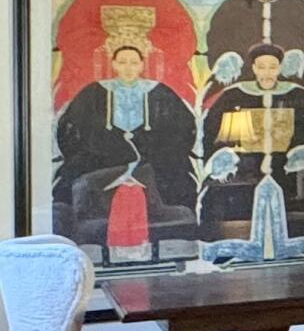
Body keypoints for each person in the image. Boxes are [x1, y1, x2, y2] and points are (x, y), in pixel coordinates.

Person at [51, 39, 199, 262]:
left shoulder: (160, 93)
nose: (128, 68)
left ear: (141, 65)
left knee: (180, 185)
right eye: (123, 62)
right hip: (102, 166)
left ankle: (170, 254)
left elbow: (184, 131)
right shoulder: (92, 93)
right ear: (114, 65)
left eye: (133, 62)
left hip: (153, 164)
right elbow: (69, 132)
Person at [197, 43, 304, 256]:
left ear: (279, 68)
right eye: (262, 67)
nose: (267, 72)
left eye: (272, 67)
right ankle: (230, 248)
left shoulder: (297, 95)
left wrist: (302, 149)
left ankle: (303, 246)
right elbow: (214, 129)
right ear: (254, 68)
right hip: (245, 163)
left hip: (285, 162)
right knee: (224, 196)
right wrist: (225, 153)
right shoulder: (233, 95)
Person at [51, 0, 199, 108]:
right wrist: (105, 42)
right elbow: (72, 31)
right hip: (105, 58)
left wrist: (149, 42)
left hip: (148, 58)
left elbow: (182, 32)